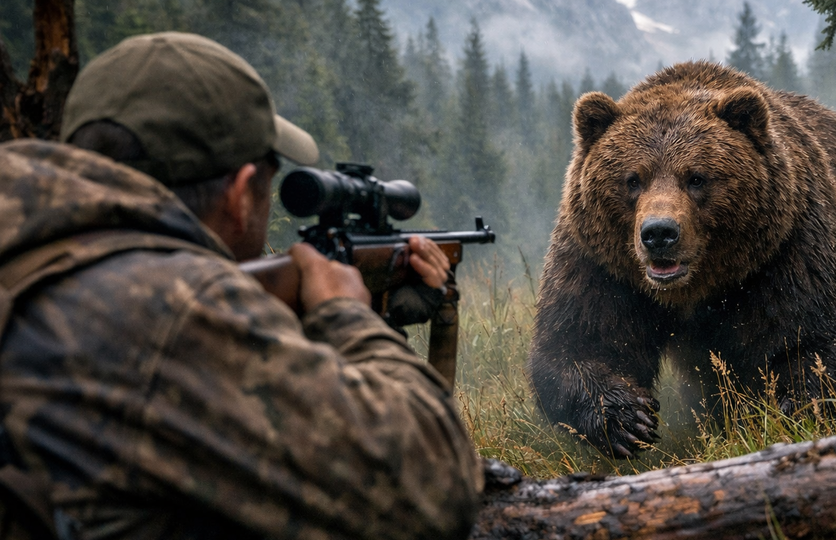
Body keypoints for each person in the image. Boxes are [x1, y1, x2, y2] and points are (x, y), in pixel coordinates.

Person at [0, 32, 483, 539]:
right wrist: (349, 318)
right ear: (238, 196)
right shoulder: (179, 312)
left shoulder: (36, 248)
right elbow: (433, 486)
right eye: (267, 183)